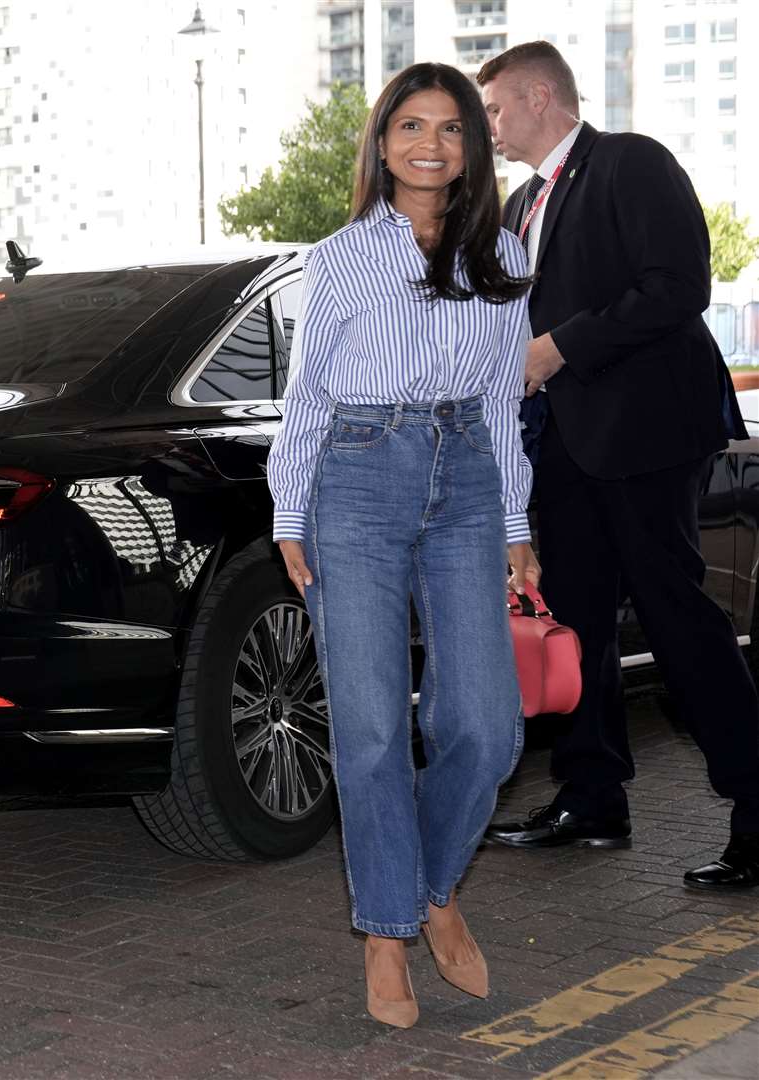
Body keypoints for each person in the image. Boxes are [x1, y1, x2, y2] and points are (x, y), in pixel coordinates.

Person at [268, 62, 538, 1029]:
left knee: (487, 725)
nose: (431, 144)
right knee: (374, 727)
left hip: (467, 472)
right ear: (382, 144)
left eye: (452, 128)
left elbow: (505, 403)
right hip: (357, 477)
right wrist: (287, 511)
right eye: (411, 126)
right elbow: (307, 395)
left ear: (472, 146)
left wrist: (517, 526)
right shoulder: (339, 256)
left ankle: (428, 886)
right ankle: (388, 932)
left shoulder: (501, 254)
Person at [477, 42, 759, 891]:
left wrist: (559, 347)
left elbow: (678, 285)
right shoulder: (522, 202)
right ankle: (592, 796)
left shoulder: (629, 162)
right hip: (559, 446)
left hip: (645, 433)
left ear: (539, 96)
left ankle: (756, 809)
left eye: (493, 109)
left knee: (679, 621)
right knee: (581, 626)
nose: (487, 126)